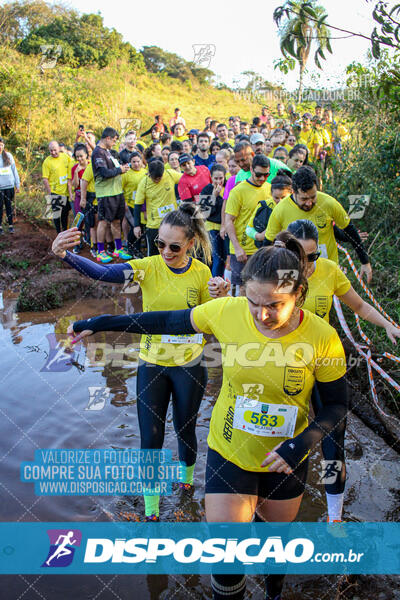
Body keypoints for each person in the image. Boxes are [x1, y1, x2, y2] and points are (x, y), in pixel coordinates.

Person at [68, 235, 348, 600]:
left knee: (273, 549)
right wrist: (102, 321)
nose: (262, 315)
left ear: (298, 294)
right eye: (253, 303)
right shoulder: (226, 312)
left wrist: (301, 444)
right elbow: (166, 320)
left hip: (286, 460)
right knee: (227, 556)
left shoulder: (323, 338)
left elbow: (336, 409)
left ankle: (274, 592)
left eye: (274, 305)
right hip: (228, 449)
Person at [53, 203, 229, 522]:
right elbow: (105, 273)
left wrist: (221, 294)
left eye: (174, 246)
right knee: (151, 437)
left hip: (190, 368)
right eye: (160, 243)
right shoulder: (148, 266)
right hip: (152, 366)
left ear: (190, 243)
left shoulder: (202, 274)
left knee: (185, 430)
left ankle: (187, 484)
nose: (165, 251)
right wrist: (67, 256)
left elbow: (214, 320)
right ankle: (151, 511)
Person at [287, 219, 400, 522]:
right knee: (282, 434)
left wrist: (388, 324)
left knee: (332, 438)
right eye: (300, 256)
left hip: (324, 361)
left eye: (313, 256)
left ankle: (334, 516)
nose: (307, 264)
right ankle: (270, 508)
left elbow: (360, 307)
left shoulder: (329, 271)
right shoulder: (276, 272)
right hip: (284, 364)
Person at [265, 166, 373, 281]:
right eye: (304, 199)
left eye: (313, 197)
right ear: (293, 191)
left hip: (326, 269)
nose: (309, 203)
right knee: (290, 298)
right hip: (293, 271)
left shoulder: (329, 203)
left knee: (327, 299)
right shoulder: (280, 210)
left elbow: (349, 230)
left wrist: (364, 261)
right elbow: (268, 243)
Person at [225, 154, 272, 293]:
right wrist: (237, 247)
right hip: (243, 250)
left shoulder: (270, 189)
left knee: (264, 288)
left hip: (264, 249)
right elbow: (228, 221)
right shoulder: (238, 191)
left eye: (266, 175)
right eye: (258, 175)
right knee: (244, 289)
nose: (262, 179)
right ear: (251, 169)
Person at [91, 127, 132, 263]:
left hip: (116, 192)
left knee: (116, 221)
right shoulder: (98, 153)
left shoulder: (107, 152)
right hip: (106, 194)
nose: (114, 143)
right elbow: (104, 173)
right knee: (103, 222)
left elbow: (113, 170)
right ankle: (100, 251)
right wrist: (119, 170)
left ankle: (118, 249)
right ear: (107, 138)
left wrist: (122, 169)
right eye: (114, 140)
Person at [134, 158, 181, 256]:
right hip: (154, 225)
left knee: (173, 251)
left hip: (172, 222)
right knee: (153, 254)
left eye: (159, 178)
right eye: (154, 178)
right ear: (149, 173)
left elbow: (186, 179)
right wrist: (136, 225)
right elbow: (137, 205)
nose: (157, 180)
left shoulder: (170, 174)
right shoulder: (144, 182)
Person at [246, 175, 293, 247]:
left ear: (292, 193)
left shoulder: (296, 206)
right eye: (276, 198)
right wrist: (258, 236)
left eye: (283, 198)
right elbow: (249, 228)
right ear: (271, 194)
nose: (279, 201)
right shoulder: (264, 205)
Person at [199, 164, 227, 276]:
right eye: (216, 178)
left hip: (226, 227)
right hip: (212, 228)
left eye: (221, 178)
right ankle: (215, 282)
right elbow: (203, 213)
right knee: (217, 258)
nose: (219, 181)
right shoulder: (207, 189)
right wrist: (214, 196)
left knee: (226, 258)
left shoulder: (228, 187)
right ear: (211, 177)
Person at [42, 140, 73, 233]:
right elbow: (45, 178)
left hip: (66, 191)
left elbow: (73, 163)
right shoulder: (47, 162)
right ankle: (58, 232)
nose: (53, 152)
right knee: (56, 215)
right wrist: (50, 192)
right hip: (55, 192)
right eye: (51, 151)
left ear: (59, 148)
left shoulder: (65, 157)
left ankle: (65, 231)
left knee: (65, 214)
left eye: (55, 150)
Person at [121, 152, 147, 258]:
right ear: (130, 163)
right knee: (134, 227)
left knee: (140, 227)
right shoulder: (126, 174)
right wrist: (124, 203)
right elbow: (120, 189)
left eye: (138, 161)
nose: (136, 164)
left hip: (142, 206)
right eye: (133, 162)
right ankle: (132, 248)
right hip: (130, 205)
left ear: (142, 161)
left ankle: (136, 249)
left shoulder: (145, 173)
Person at [70, 144, 90, 253]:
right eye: (77, 157)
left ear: (86, 155)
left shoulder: (91, 166)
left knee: (90, 219)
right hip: (78, 195)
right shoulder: (74, 168)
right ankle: (77, 243)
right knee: (78, 219)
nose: (79, 159)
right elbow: (75, 184)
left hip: (89, 195)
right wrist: (77, 172)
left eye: (81, 156)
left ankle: (90, 240)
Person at [0, 137, 20, 234]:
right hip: (0, 187)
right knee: (0, 207)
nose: (0, 147)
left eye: (1, 145)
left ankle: (11, 225)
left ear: (3, 145)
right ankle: (0, 227)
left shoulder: (8, 156)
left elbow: (14, 170)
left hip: (9, 186)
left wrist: (17, 184)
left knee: (9, 206)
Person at [80, 159, 98, 257]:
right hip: (92, 200)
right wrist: (83, 198)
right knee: (93, 224)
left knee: (101, 224)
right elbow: (84, 181)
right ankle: (93, 246)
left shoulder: (106, 165)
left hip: (102, 200)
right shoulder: (91, 167)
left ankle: (101, 246)